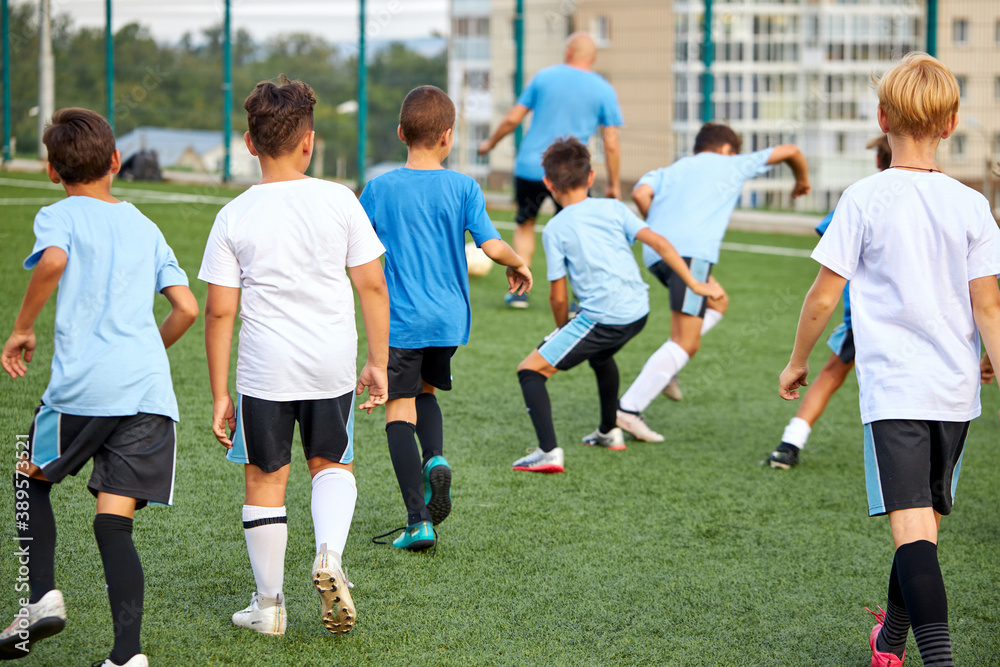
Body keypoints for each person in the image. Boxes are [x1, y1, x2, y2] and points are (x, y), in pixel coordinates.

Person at [778, 52, 1000, 667]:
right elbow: (990, 307)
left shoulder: (863, 197)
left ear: (881, 118)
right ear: (951, 122)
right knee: (921, 529)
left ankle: (939, 660)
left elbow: (825, 294)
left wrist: (798, 361)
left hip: (895, 392)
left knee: (912, 534)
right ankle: (889, 642)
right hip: (955, 393)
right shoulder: (973, 205)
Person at [0, 108, 199, 667]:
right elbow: (186, 309)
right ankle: (127, 656)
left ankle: (39, 598)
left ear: (50, 171)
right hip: (148, 397)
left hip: (82, 391)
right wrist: (143, 356)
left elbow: (55, 260)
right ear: (116, 161)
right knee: (115, 522)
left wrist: (21, 328)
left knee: (27, 478)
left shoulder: (57, 213)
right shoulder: (145, 224)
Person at [200, 77, 389, 636]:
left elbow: (218, 314)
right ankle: (330, 556)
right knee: (332, 464)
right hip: (330, 363)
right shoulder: (339, 199)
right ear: (309, 141)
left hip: (265, 370)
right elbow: (373, 286)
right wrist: (377, 360)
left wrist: (218, 395)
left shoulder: (233, 215)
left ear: (249, 143)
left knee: (264, 478)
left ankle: (269, 605)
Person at [360, 86, 532, 550]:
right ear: (448, 137)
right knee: (427, 393)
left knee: (399, 408)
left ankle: (418, 521)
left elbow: (354, 252)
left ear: (401, 133)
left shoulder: (378, 189)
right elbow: (492, 245)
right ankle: (434, 457)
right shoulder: (464, 186)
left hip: (402, 320)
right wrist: (518, 263)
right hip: (448, 321)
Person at [512, 137, 723, 473]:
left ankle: (548, 451)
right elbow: (661, 242)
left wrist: (561, 326)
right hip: (638, 311)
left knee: (530, 371)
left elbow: (558, 295)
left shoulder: (554, 229)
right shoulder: (613, 207)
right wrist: (694, 282)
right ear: (592, 177)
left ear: (548, 184)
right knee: (601, 355)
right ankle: (609, 431)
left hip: (604, 316)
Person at [616, 123, 811, 442]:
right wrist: (802, 181)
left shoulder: (672, 169)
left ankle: (668, 368)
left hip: (658, 254)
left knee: (717, 299)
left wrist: (665, 229)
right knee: (686, 341)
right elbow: (792, 151)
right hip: (690, 255)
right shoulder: (731, 163)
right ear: (725, 149)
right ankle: (628, 411)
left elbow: (640, 193)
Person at [768, 135, 891, 469]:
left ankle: (790, 443)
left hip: (866, 315)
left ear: (879, 162)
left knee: (832, 373)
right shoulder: (955, 198)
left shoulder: (864, 194)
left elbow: (828, 234)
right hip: (924, 324)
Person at [478, 32, 623, 309]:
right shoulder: (603, 88)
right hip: (573, 174)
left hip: (532, 167)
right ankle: (578, 298)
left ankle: (519, 292)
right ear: (592, 58)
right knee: (575, 231)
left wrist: (490, 144)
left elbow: (512, 119)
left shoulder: (544, 77)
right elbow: (612, 142)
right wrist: (614, 183)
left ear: (568, 51)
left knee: (525, 224)